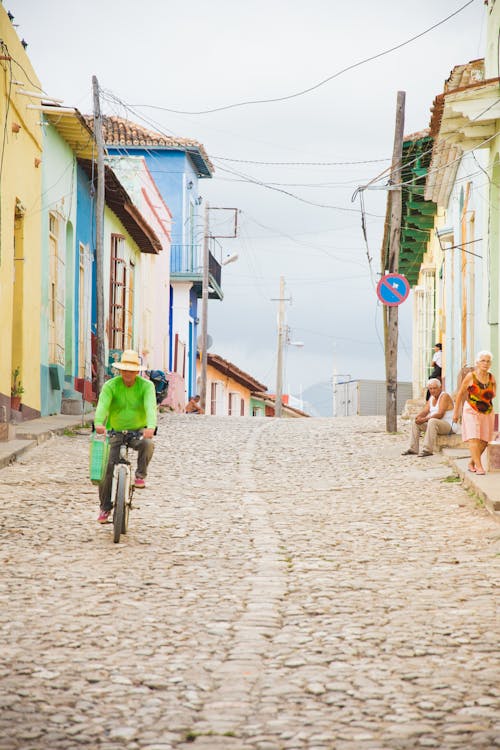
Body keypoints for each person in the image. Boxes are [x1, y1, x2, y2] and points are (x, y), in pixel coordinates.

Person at [94, 350, 157, 523]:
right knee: (106, 471)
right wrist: (98, 423)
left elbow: (150, 406)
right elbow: (103, 405)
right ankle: (105, 508)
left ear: (137, 372)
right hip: (116, 432)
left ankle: (140, 475)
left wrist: (151, 427)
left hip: (138, 431)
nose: (127, 374)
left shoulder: (146, 386)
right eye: (124, 370)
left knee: (148, 444)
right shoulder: (111, 386)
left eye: (131, 371)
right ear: (120, 371)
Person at [452, 350, 496, 475]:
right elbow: (460, 393)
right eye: (483, 360)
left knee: (484, 441)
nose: (485, 363)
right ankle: (479, 466)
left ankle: (472, 462)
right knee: (474, 438)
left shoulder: (491, 378)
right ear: (477, 362)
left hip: (487, 411)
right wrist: (456, 412)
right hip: (471, 410)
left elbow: (493, 394)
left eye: (488, 361)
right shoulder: (471, 376)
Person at [402, 378, 454, 457]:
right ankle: (413, 449)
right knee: (416, 423)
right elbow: (425, 411)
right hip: (436, 425)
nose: (432, 391)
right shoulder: (432, 398)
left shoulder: (444, 396)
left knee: (432, 421)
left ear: (440, 388)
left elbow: (440, 414)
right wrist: (418, 418)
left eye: (435, 388)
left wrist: (425, 419)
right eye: (430, 389)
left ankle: (427, 450)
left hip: (449, 426)